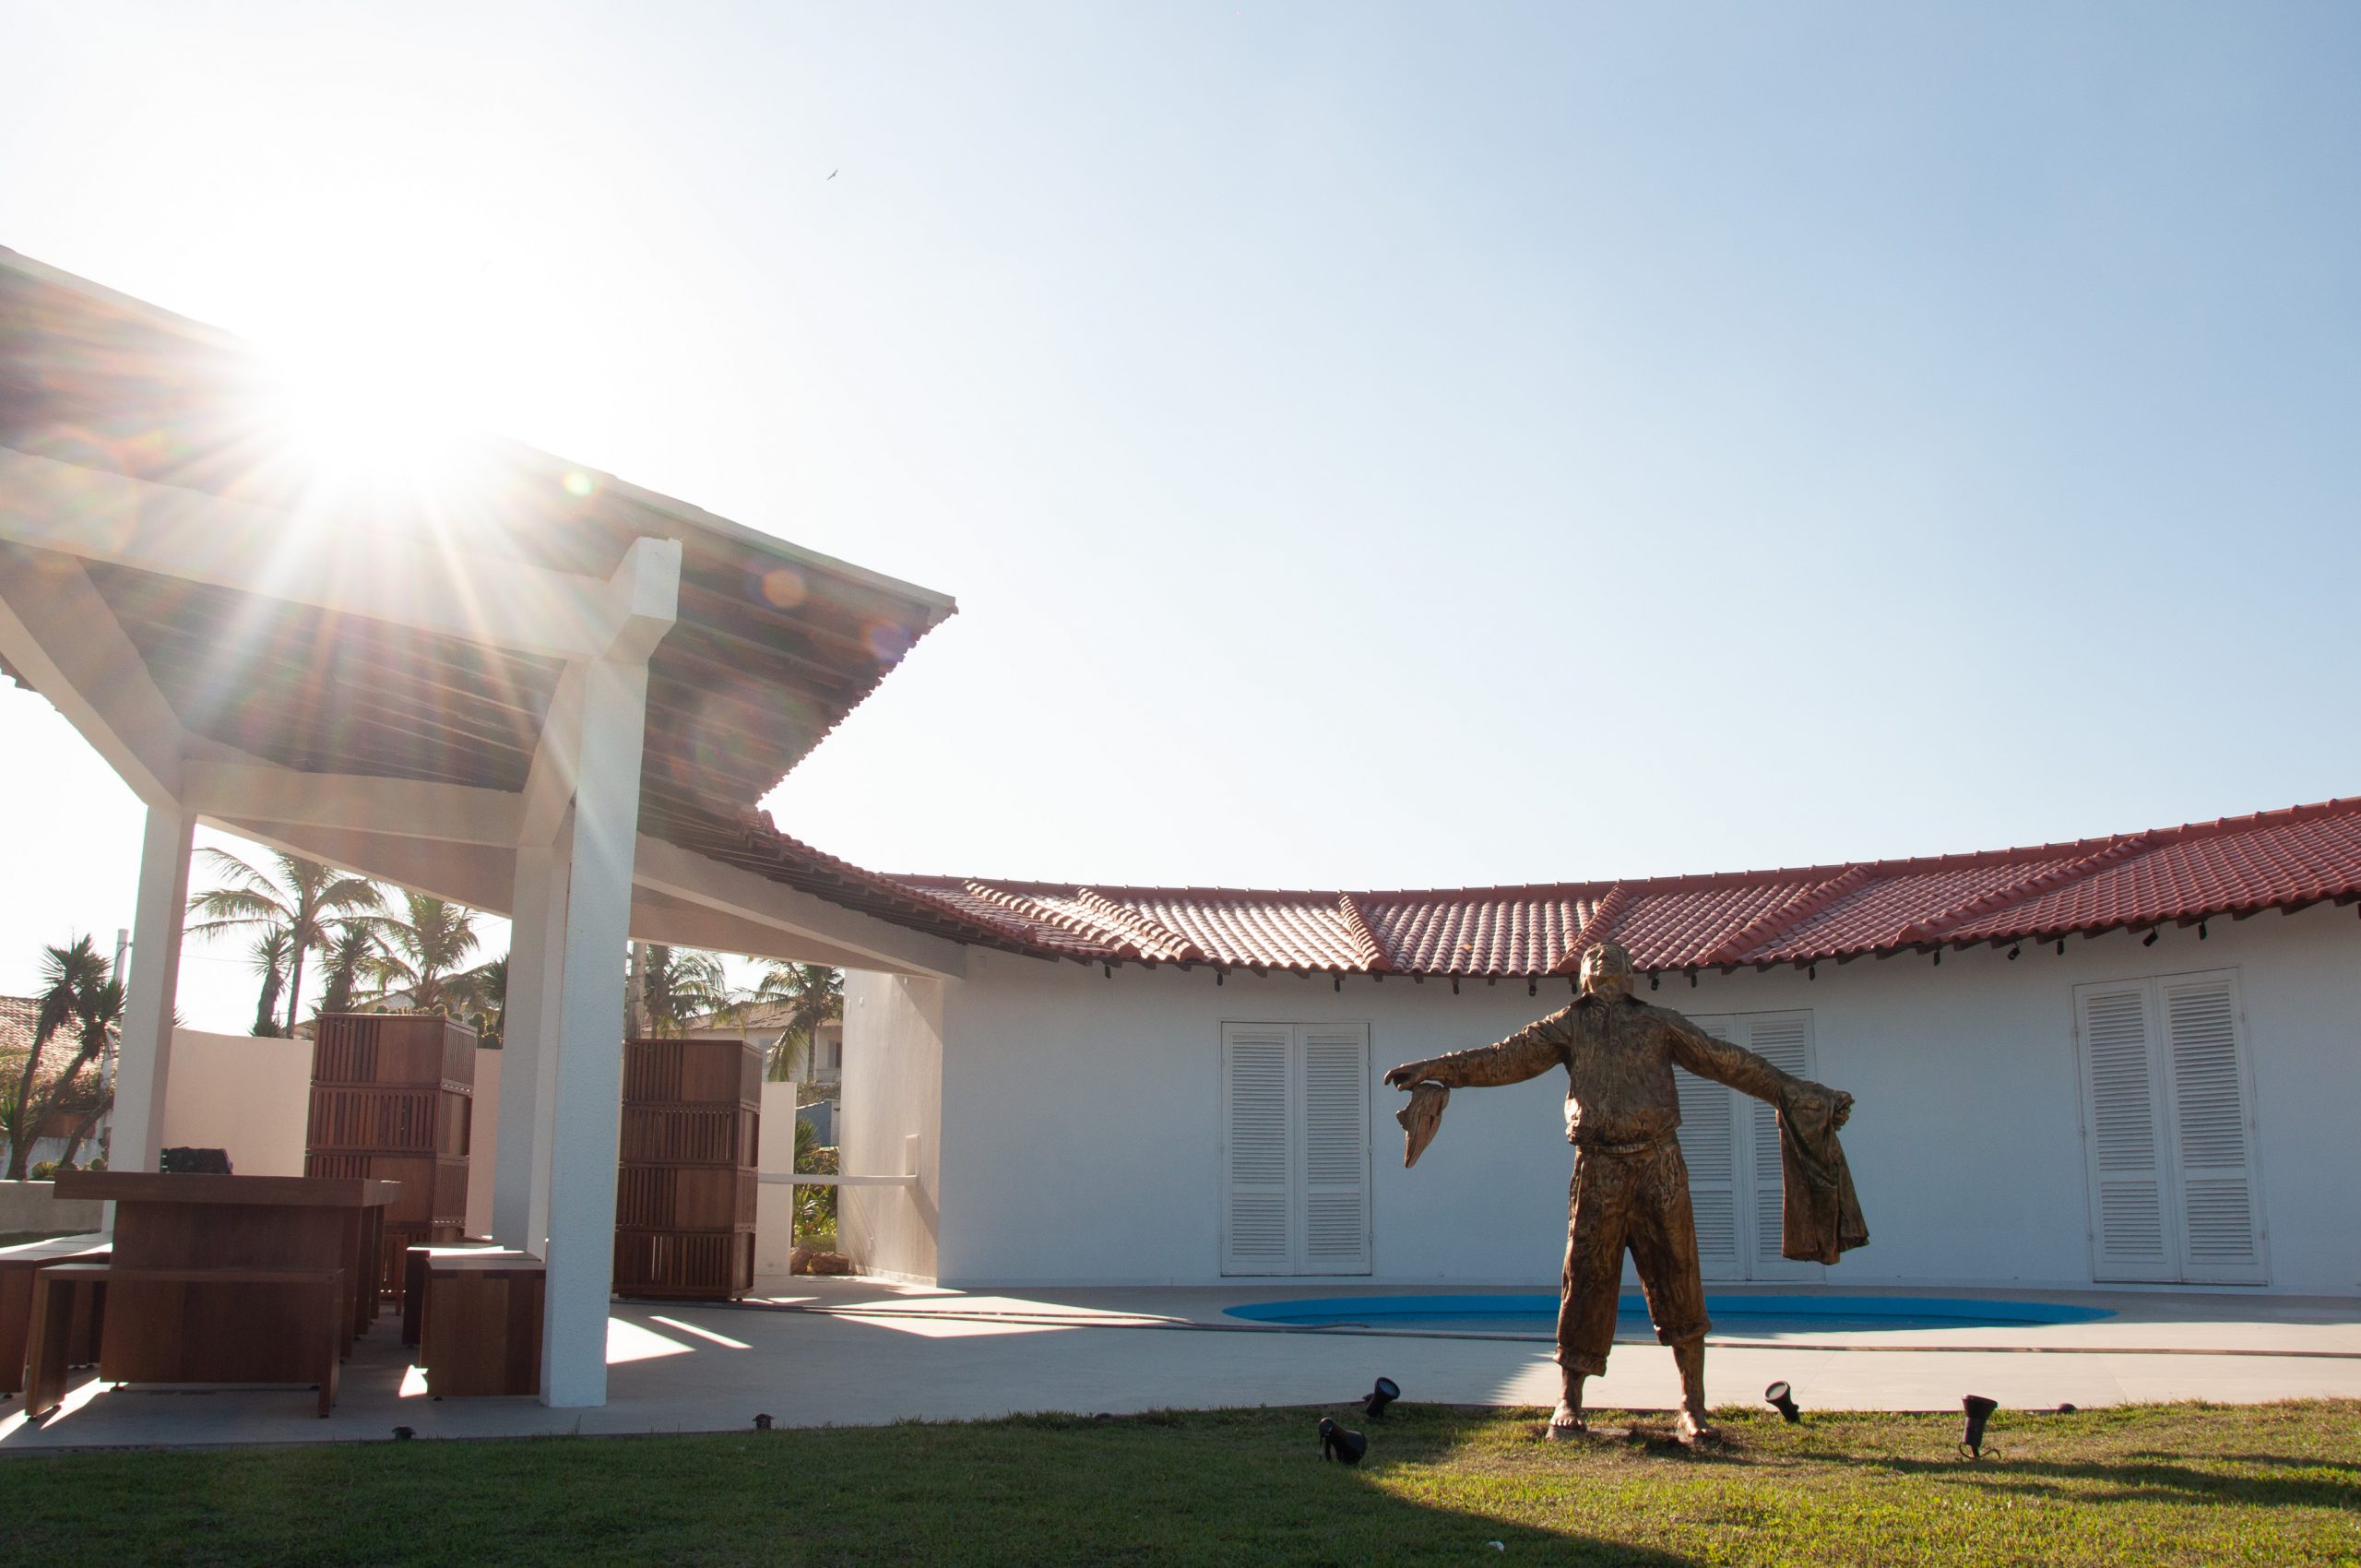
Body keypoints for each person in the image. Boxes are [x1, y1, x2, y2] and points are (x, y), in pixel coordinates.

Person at [1383, 939, 1853, 1444]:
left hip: (1659, 1163)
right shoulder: (1569, 1023)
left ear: (1631, 974)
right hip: (1598, 1165)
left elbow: (1727, 1061)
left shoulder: (1659, 1022)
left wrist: (1798, 1091)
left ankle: (1692, 1405)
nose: (1604, 959)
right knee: (1585, 1275)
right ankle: (1569, 1399)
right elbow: (1505, 1059)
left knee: (1679, 1273)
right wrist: (1435, 1067)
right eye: (1594, 958)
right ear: (1582, 976)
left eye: (1615, 957)